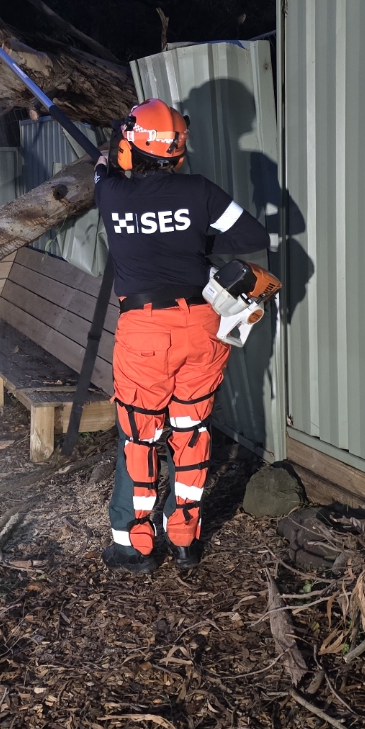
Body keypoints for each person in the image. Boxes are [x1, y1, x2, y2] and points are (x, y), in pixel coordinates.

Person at [94, 98, 269, 574]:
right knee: (191, 434)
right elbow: (254, 236)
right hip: (202, 326)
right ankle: (186, 541)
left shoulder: (110, 194)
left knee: (141, 438)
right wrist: (197, 238)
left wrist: (115, 147)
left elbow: (107, 166)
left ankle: (138, 548)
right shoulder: (199, 191)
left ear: (132, 146)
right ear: (179, 152)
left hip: (145, 331)